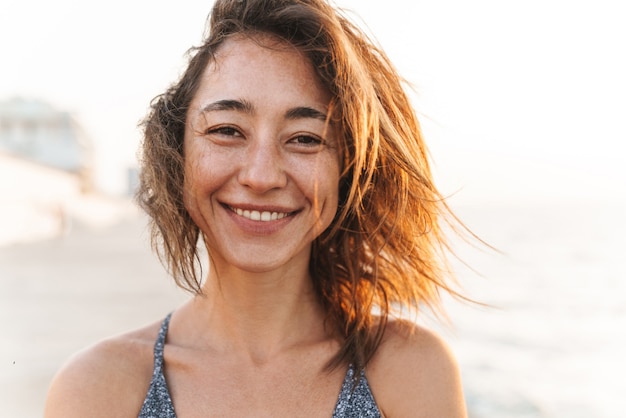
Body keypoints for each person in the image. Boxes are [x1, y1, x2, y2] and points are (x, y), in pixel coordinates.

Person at [44, 0, 469, 416]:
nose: (262, 176)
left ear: (348, 169)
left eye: (305, 138)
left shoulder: (408, 371)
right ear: (178, 152)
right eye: (228, 130)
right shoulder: (99, 389)